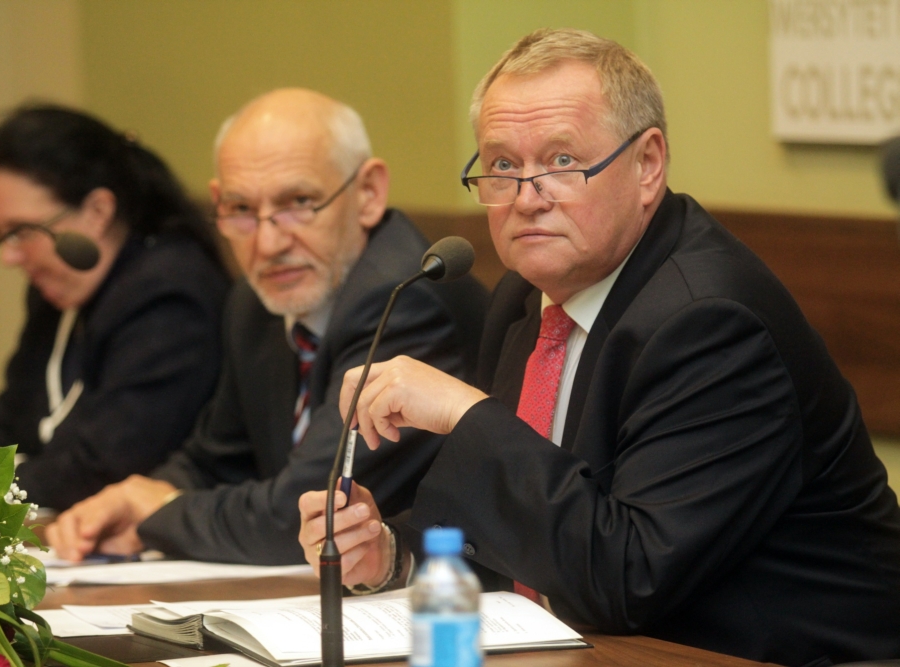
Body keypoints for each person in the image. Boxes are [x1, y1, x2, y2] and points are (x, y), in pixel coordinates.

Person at [298, 29, 900, 666]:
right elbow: (527, 531)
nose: (527, 198)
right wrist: (390, 553)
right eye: (502, 166)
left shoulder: (712, 323)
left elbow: (626, 580)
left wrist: (467, 414)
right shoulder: (524, 299)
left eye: (561, 161)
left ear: (648, 166)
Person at [45, 89, 488, 565]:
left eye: (299, 201)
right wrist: (131, 497)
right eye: (240, 210)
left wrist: (159, 512)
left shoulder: (406, 298)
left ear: (368, 193)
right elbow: (218, 458)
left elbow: (308, 513)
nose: (269, 243)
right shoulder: (254, 302)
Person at [0, 104, 229, 511]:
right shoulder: (55, 290)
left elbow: (100, 470)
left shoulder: (171, 296)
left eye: (22, 232)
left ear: (98, 212)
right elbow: (6, 428)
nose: (9, 256)